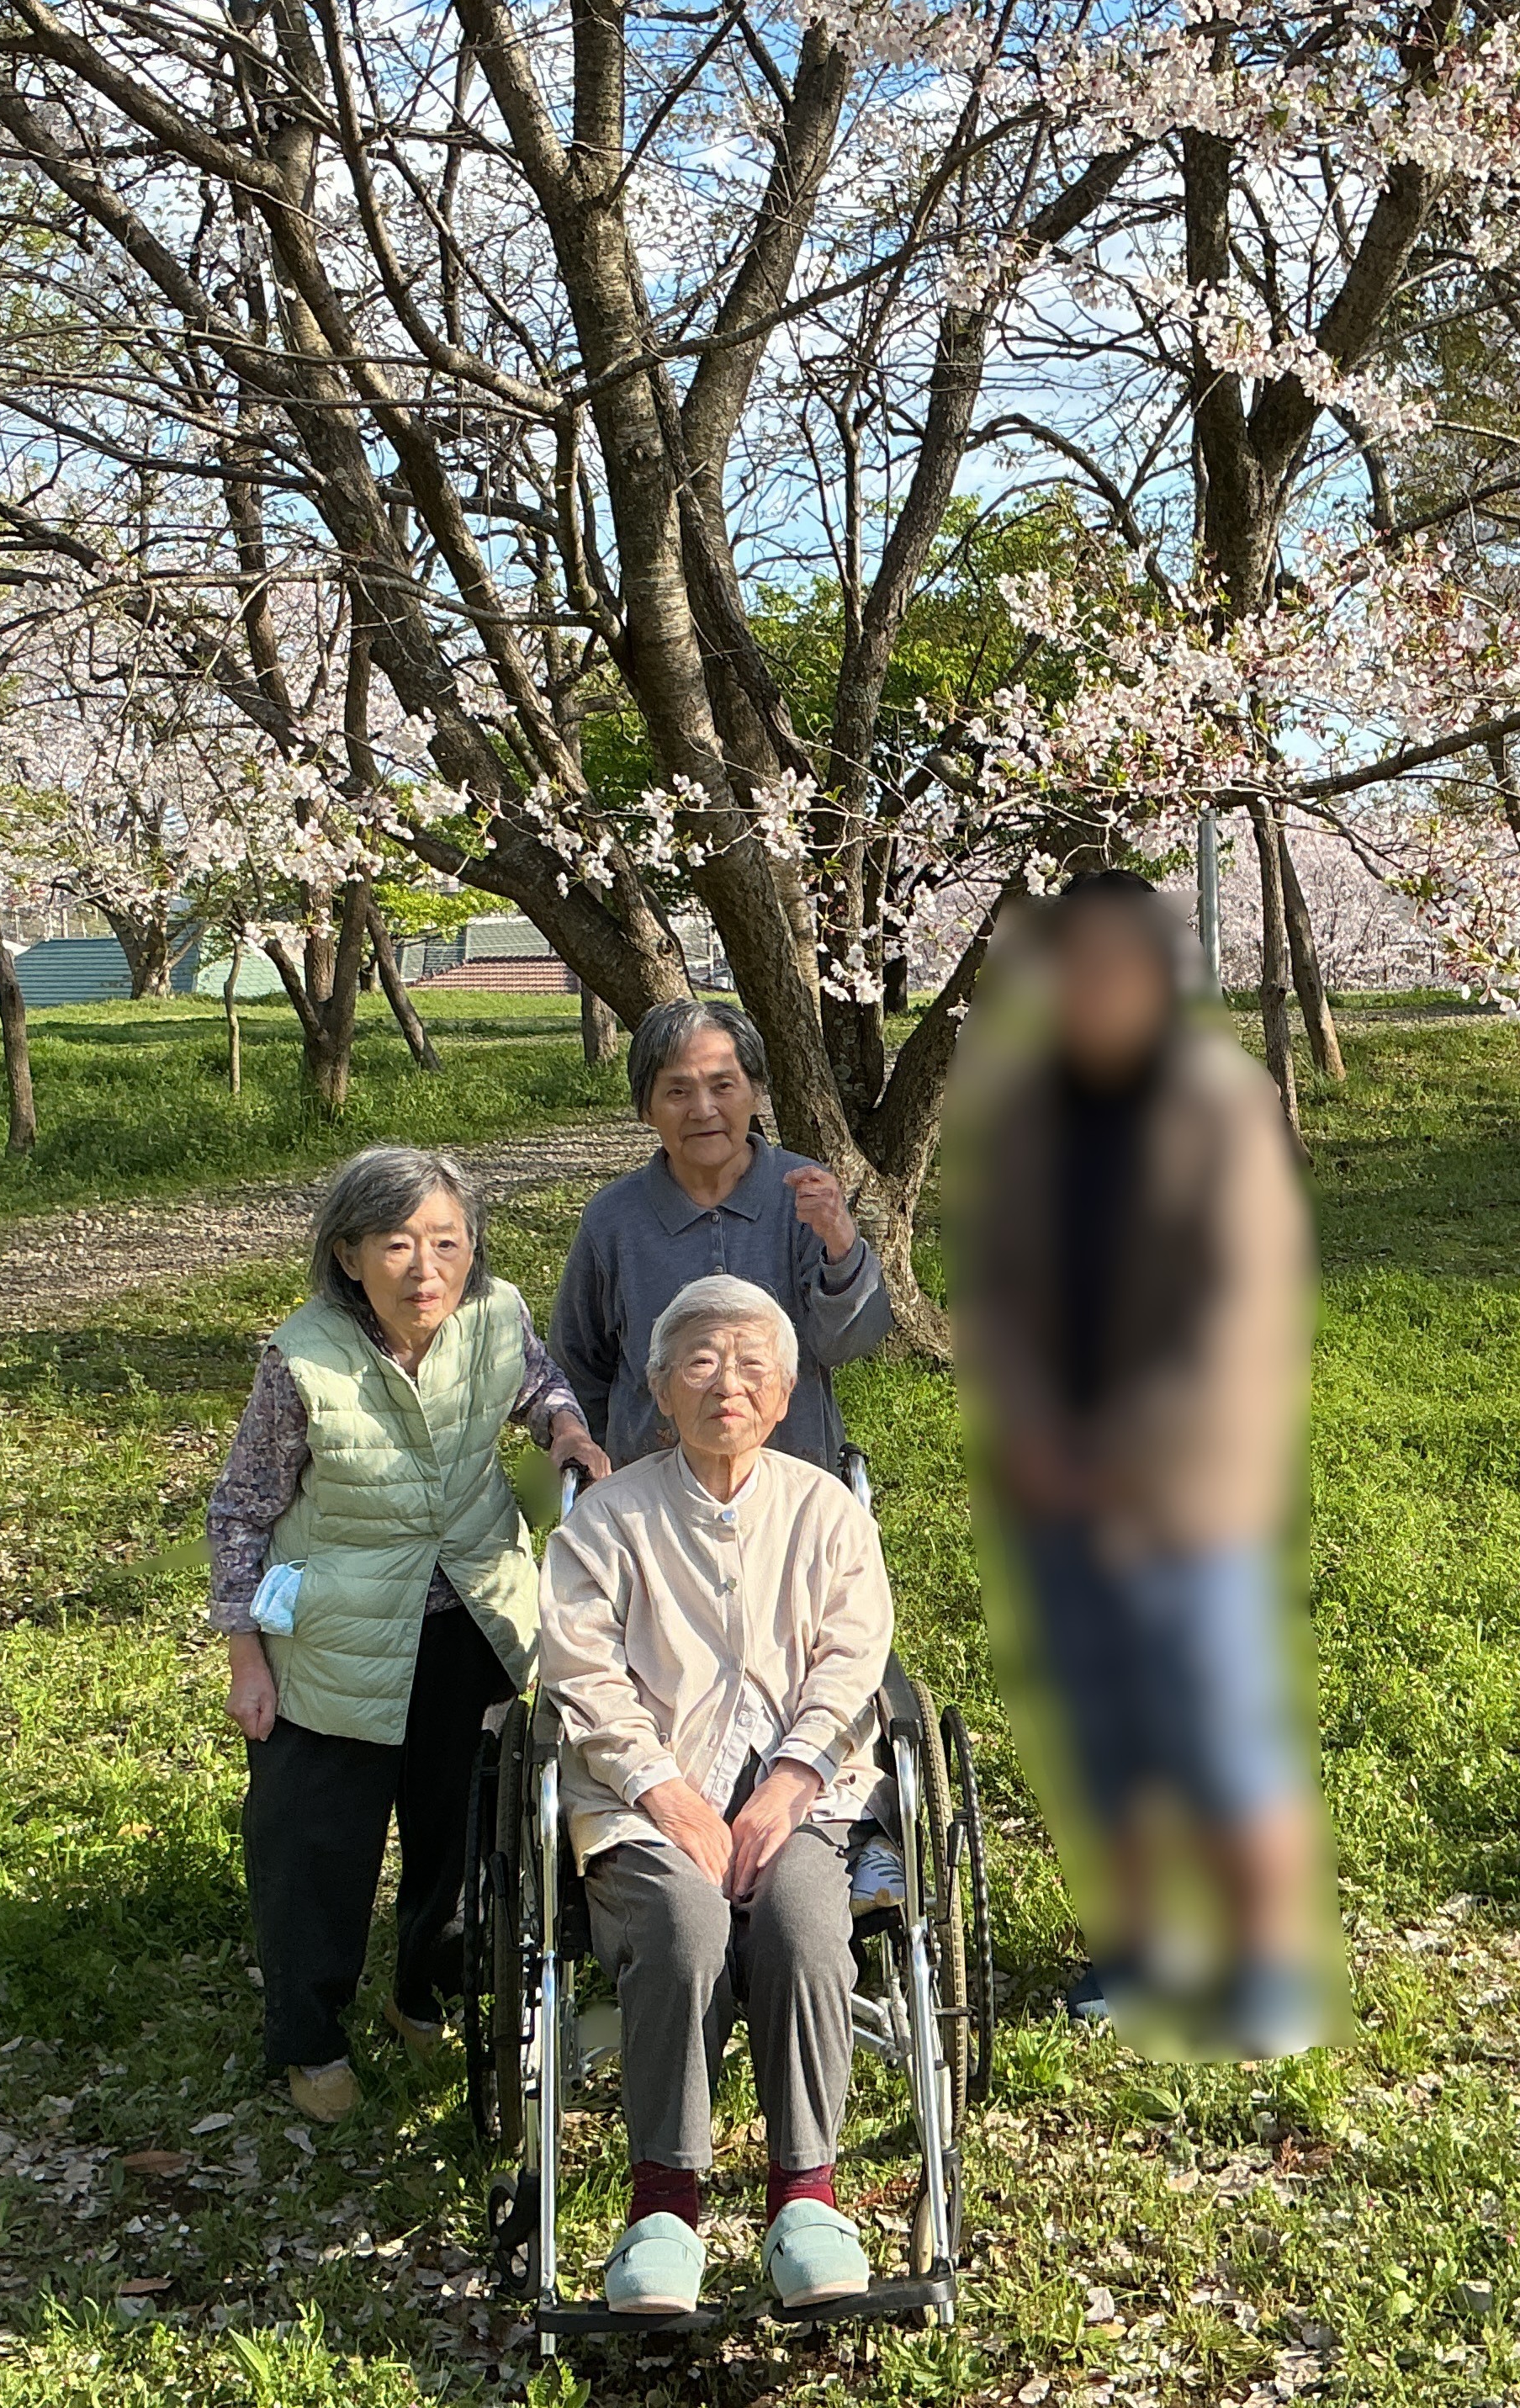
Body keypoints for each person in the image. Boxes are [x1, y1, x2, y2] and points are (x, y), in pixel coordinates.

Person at [947, 870, 1323, 2057]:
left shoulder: (1222, 1103)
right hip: (1052, 1482)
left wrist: (1131, 1461)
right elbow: (995, 1296)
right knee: (1100, 1734)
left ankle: (1266, 1963)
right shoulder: (1027, 1112)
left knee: (1217, 1726)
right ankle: (1137, 1949)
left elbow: (1243, 1306)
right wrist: (1038, 1441)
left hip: (1189, 1486)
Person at [207, 1146, 610, 2124]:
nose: (426, 1269)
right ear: (349, 1257)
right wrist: (246, 1654)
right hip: (334, 1632)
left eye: (447, 1242)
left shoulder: (497, 1316)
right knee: (312, 1845)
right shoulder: (299, 1357)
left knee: (464, 1832)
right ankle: (310, 2038)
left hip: (471, 1612)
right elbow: (241, 1511)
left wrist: (566, 1430)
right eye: (397, 1245)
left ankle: (420, 1992)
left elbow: (541, 1389)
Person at [538, 1274, 893, 2316]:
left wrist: (790, 1783)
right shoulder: (608, 1521)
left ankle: (806, 2199)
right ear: (655, 1394)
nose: (725, 1382)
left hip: (806, 1803)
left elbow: (854, 1658)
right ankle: (666, 2207)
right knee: (687, 1923)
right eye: (698, 1360)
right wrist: (670, 1796)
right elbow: (581, 1673)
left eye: (750, 1364)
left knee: (803, 1919)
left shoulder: (826, 1511)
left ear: (784, 1397)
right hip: (640, 1805)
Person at [553, 997, 893, 1477]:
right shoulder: (614, 1219)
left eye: (723, 1085)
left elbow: (847, 1344)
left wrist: (841, 1245)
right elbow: (578, 1362)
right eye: (677, 1092)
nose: (703, 1109)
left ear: (755, 1092)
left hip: (790, 1479)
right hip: (652, 1488)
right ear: (646, 1108)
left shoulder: (803, 1196)